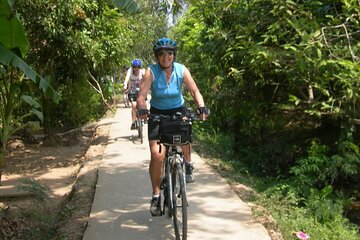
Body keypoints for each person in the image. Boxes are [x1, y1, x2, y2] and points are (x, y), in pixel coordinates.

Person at [136, 37, 209, 216]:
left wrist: (201, 106)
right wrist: (142, 108)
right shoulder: (150, 71)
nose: (165, 57)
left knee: (185, 133)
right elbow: (142, 95)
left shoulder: (181, 70)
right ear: (157, 56)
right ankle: (155, 195)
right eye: (161, 54)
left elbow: (194, 90)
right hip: (157, 113)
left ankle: (189, 163)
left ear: (174, 55)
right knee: (157, 155)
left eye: (169, 53)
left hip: (178, 110)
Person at [124, 59, 145, 129]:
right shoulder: (130, 71)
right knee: (134, 105)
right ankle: (133, 122)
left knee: (143, 103)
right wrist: (125, 85)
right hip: (131, 91)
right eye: (134, 67)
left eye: (138, 67)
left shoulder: (142, 72)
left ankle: (143, 118)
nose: (136, 69)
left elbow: (146, 79)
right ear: (132, 67)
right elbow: (126, 79)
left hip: (140, 91)